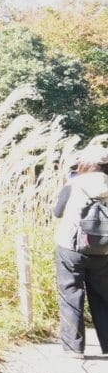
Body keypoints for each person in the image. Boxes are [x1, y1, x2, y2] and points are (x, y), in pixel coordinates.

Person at [53, 143, 108, 357]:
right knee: (104, 297)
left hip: (71, 246)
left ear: (85, 164)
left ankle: (74, 348)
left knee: (71, 294)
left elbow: (57, 212)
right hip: (104, 250)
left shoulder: (74, 185)